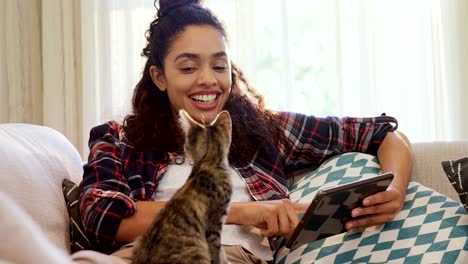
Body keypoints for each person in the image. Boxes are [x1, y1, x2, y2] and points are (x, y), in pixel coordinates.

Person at [79, 0, 413, 263]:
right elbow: (104, 215)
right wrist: (241, 211)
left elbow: (383, 134)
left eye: (219, 65)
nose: (208, 79)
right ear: (160, 77)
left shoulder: (265, 131)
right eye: (188, 67)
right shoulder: (119, 138)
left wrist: (395, 190)